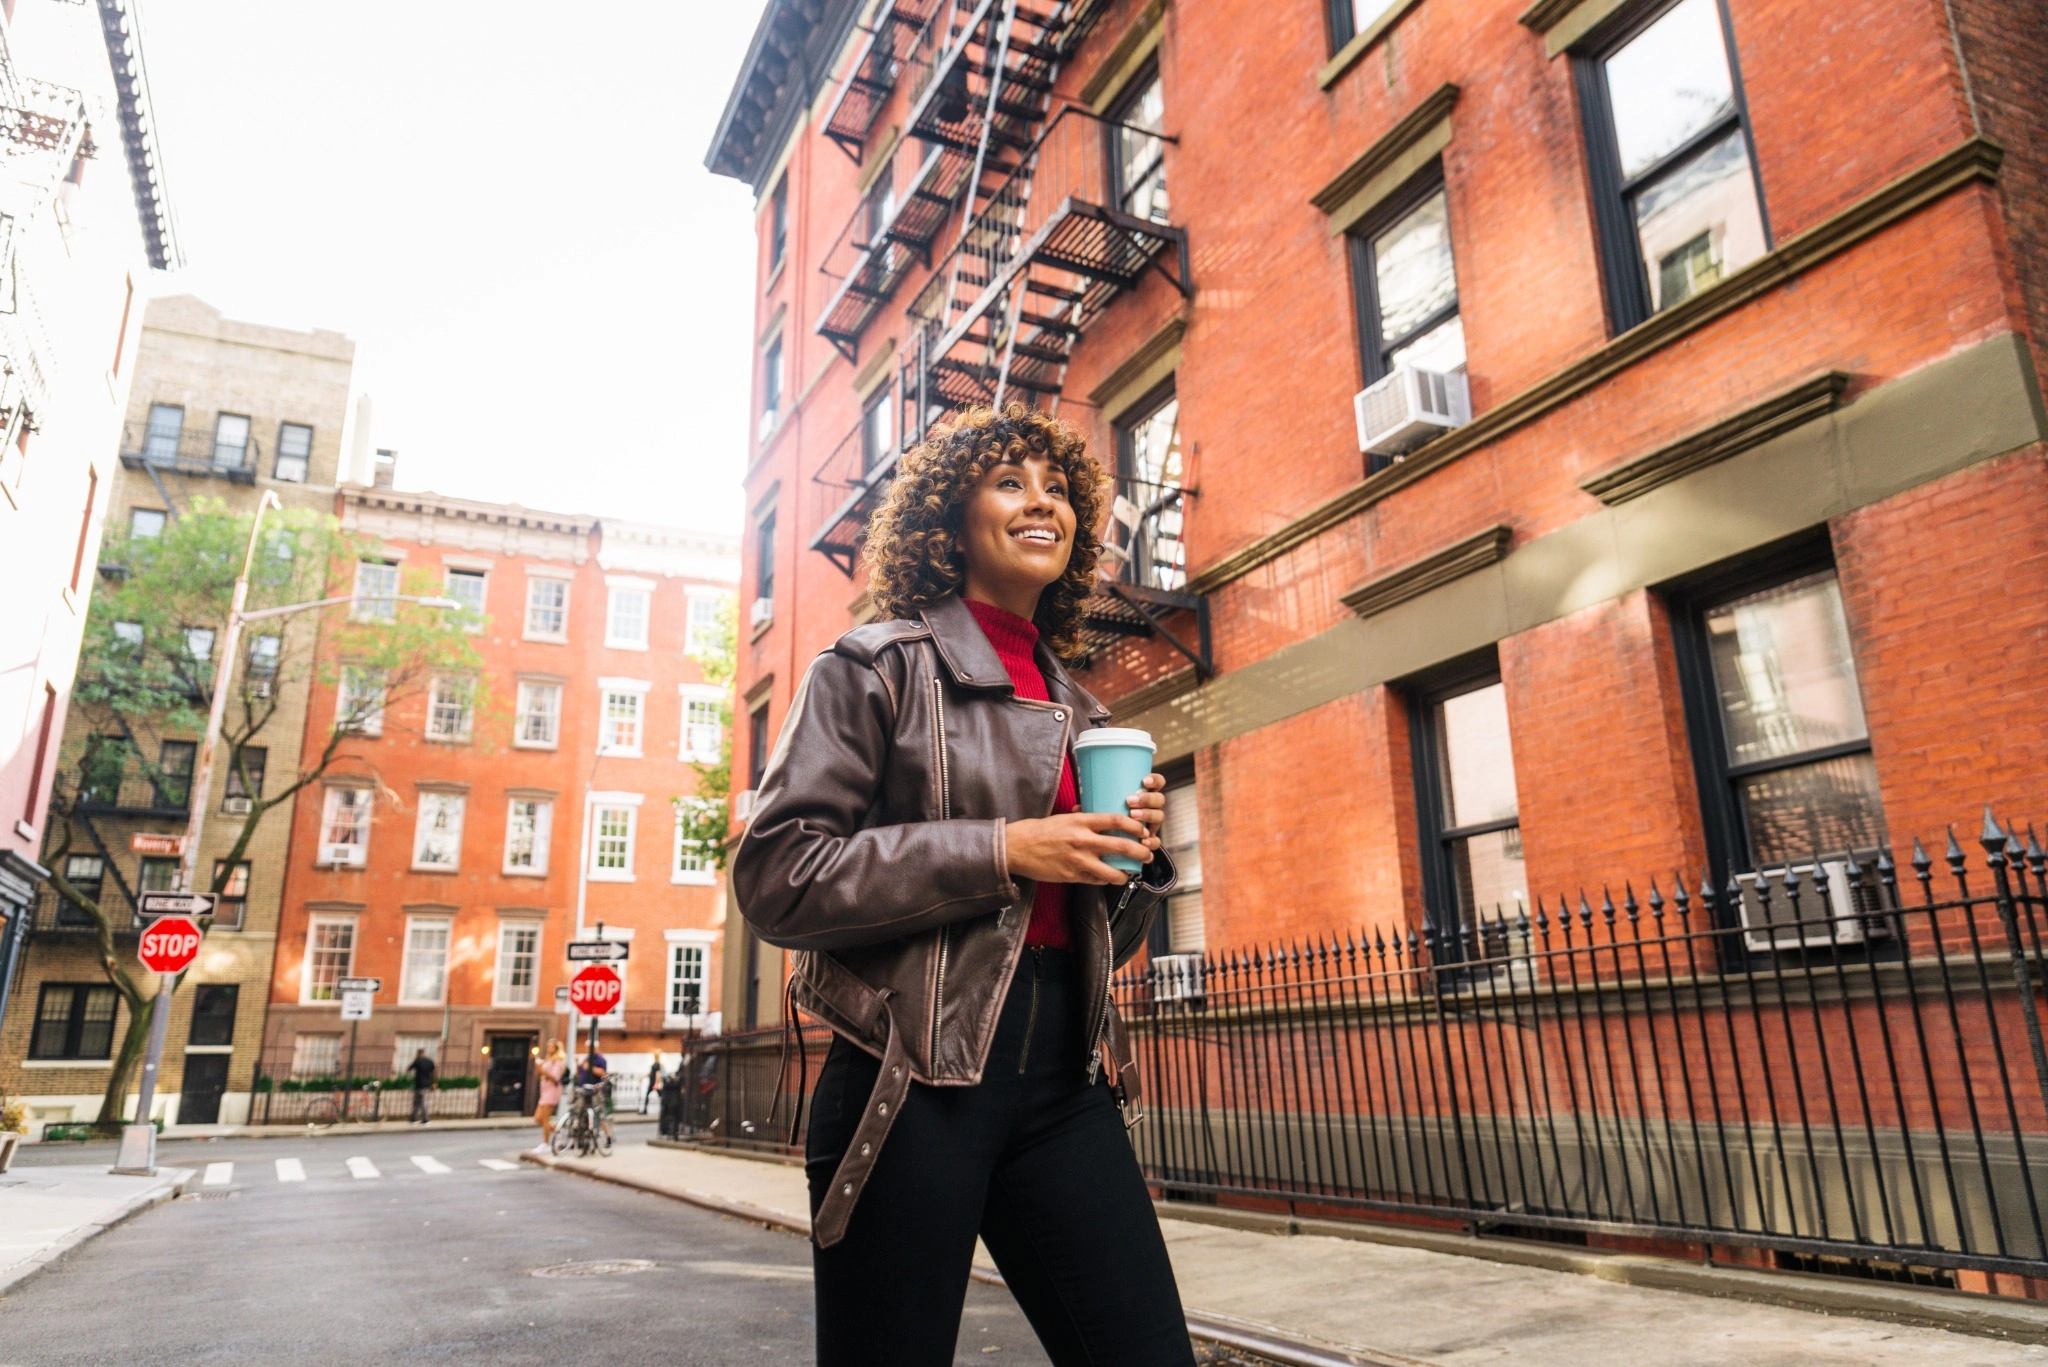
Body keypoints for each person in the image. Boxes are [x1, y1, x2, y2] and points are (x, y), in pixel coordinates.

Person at [733, 406, 1190, 1367]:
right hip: (912, 1079)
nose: (1043, 505)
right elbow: (779, 874)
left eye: (1059, 489)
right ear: (950, 518)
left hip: (1067, 1081)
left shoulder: (1081, 706)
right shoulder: (875, 667)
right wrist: (1005, 848)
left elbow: (1091, 932)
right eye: (1010, 482)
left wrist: (1135, 865)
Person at [534, 1039, 566, 1153]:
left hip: (552, 1092)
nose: (549, 1049)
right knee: (538, 1118)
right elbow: (539, 1074)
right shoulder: (547, 1060)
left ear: (556, 1049)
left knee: (545, 1119)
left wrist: (542, 1070)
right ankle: (558, 1130)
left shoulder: (558, 1062)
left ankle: (546, 1144)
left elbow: (555, 1078)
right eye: (548, 1047)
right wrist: (538, 1068)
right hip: (544, 1092)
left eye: (551, 1047)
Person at [406, 1048, 435, 1125]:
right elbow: (434, 1072)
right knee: (417, 1102)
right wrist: (434, 1083)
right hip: (426, 1084)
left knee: (421, 1102)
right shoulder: (429, 1061)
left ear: (418, 1053)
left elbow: (408, 1069)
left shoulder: (417, 1061)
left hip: (419, 1084)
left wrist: (415, 1060)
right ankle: (413, 1118)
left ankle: (426, 1119)